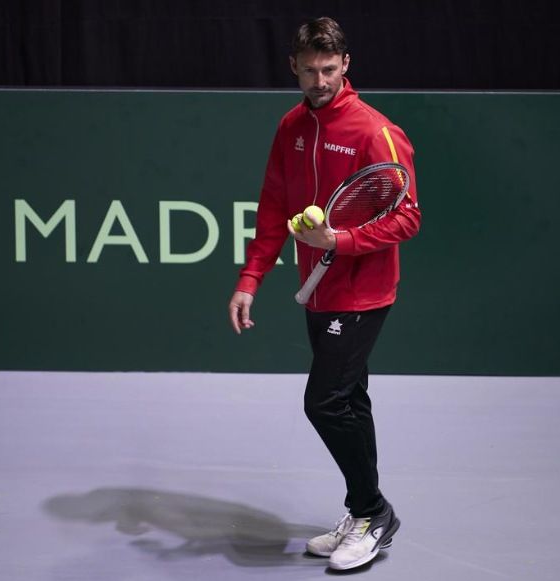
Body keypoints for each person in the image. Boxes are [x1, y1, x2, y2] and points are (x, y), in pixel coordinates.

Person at [227, 16, 421, 571]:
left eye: (329, 69)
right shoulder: (291, 125)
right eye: (310, 70)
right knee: (350, 400)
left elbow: (408, 217)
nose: (320, 81)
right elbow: (273, 207)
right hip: (316, 288)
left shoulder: (375, 131)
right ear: (293, 66)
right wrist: (250, 280)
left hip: (363, 293)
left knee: (325, 402)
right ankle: (363, 513)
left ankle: (373, 512)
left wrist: (340, 240)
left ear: (346, 65)